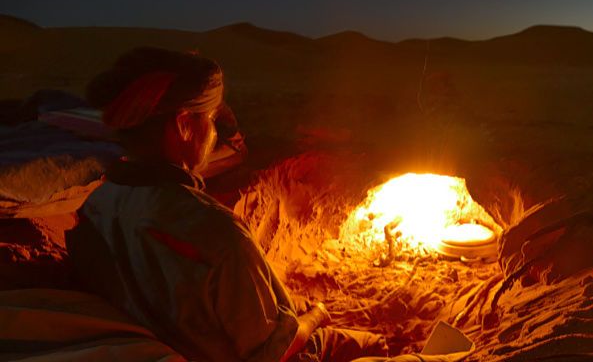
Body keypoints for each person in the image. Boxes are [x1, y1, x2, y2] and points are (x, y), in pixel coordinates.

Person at [66, 47, 387, 362]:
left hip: (160, 337)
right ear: (184, 125)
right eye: (210, 119)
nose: (214, 134)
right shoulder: (217, 231)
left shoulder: (97, 203)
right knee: (373, 344)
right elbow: (273, 353)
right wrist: (317, 315)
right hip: (224, 352)